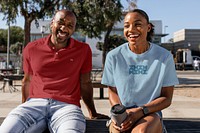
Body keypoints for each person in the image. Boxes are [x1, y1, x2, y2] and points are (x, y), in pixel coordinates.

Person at [0, 9, 108, 133]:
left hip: (67, 107)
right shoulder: (31, 48)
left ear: (73, 29)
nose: (64, 28)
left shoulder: (83, 50)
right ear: (52, 23)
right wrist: (24, 106)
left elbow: (85, 83)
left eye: (69, 25)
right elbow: (27, 81)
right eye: (60, 22)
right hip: (34, 104)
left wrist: (92, 112)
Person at [101, 9, 179, 133]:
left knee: (141, 131)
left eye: (137, 24)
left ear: (148, 27)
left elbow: (166, 97)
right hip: (123, 113)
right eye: (127, 26)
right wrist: (119, 113)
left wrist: (141, 111)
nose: (131, 30)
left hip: (150, 113)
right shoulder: (114, 56)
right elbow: (112, 91)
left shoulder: (164, 57)